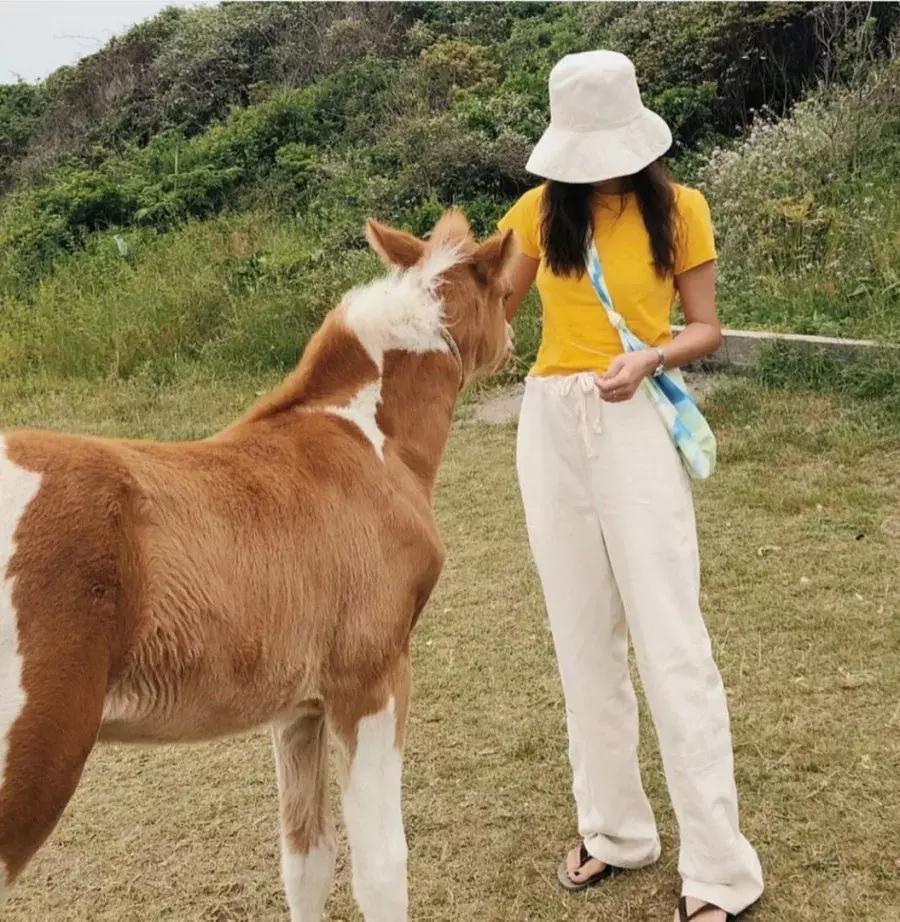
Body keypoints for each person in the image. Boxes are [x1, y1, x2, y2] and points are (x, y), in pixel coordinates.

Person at [499, 50, 763, 922]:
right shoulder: (540, 212)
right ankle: (615, 830)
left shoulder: (680, 208)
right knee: (582, 640)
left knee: (671, 641)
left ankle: (720, 871)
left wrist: (651, 354)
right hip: (550, 422)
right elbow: (492, 311)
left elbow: (707, 328)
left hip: (636, 416)